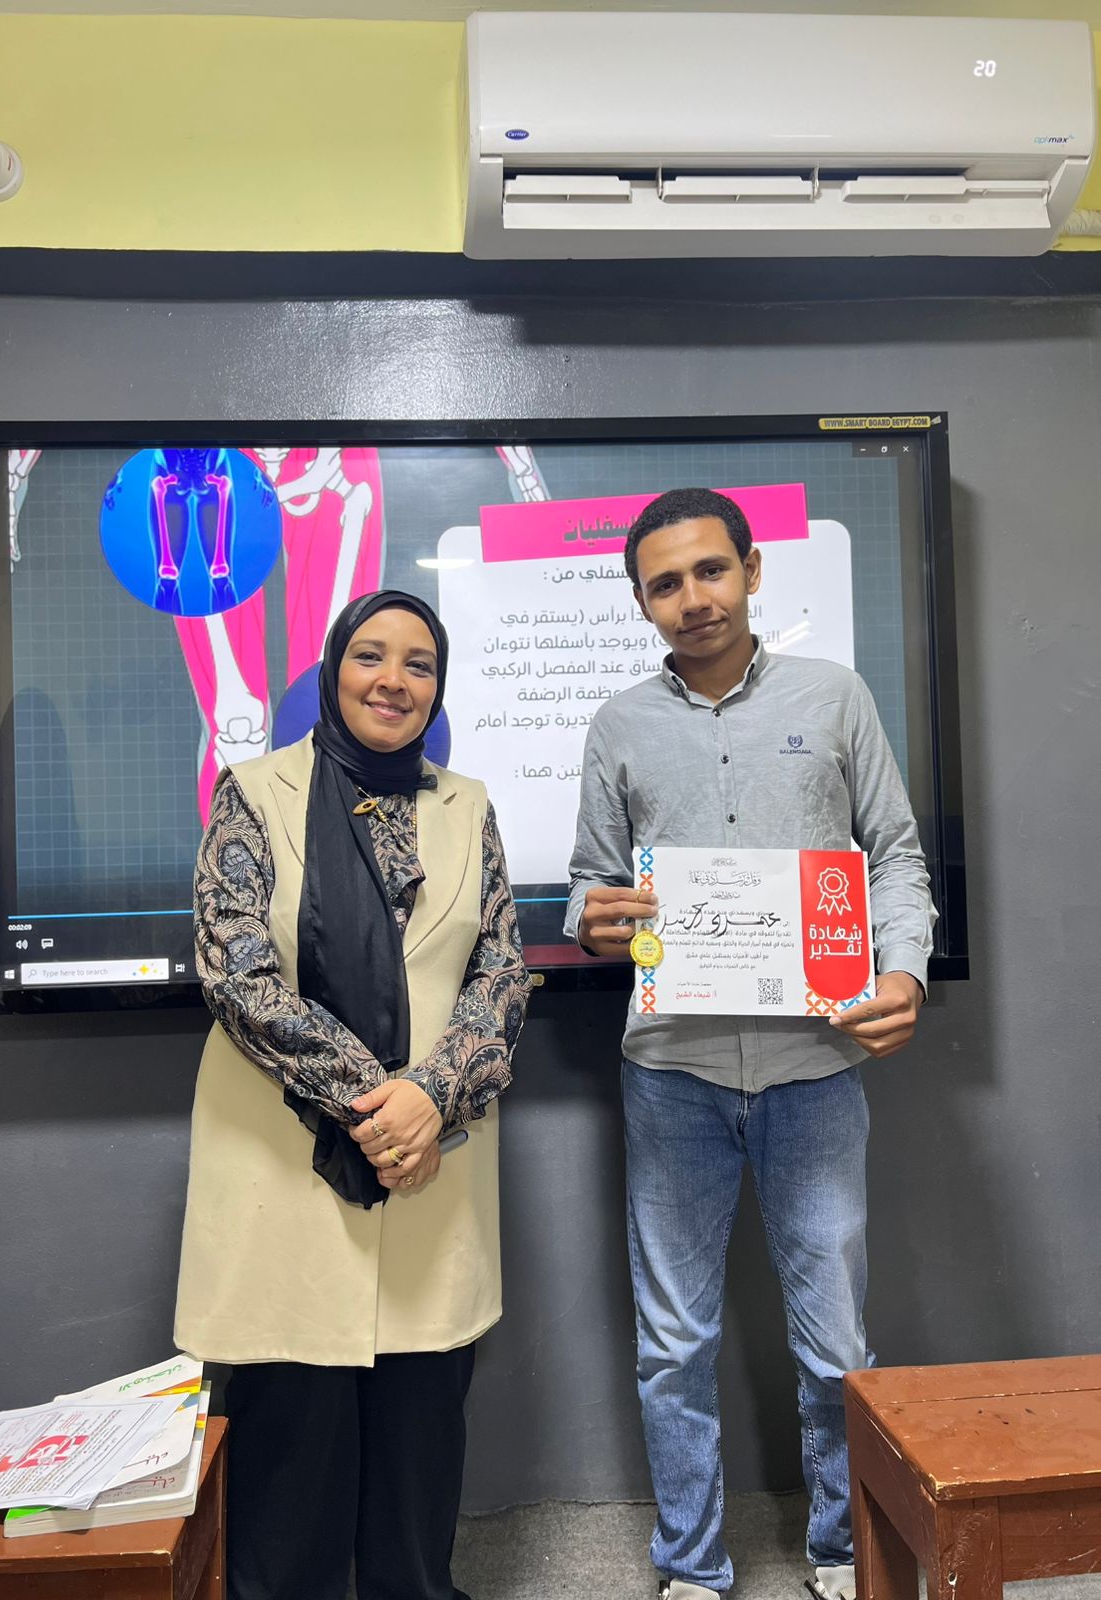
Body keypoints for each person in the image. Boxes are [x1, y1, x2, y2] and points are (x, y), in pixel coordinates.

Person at [564, 489, 936, 1600]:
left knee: (836, 1345)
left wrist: (904, 971)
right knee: (673, 1344)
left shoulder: (835, 697)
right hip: (671, 1072)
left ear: (753, 571)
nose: (693, 598)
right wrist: (594, 916)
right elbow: (592, 882)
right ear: (641, 601)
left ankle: (838, 1547)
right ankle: (689, 1564)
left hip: (814, 1069)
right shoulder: (619, 724)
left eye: (710, 571)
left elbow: (897, 859)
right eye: (665, 583)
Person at [175, 589, 530, 1600]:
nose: (394, 678)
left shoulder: (469, 806)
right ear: (333, 668)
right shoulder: (253, 790)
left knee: (423, 1431)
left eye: (419, 663)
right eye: (371, 655)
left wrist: (434, 1097)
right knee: (292, 1435)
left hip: (432, 1163)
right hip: (287, 1160)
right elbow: (237, 972)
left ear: (439, 686)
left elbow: (500, 973)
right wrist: (385, 1103)